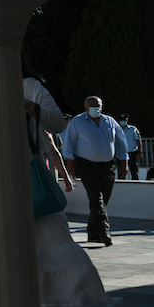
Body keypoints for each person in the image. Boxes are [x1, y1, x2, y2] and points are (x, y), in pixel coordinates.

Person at [23, 72, 111, 307]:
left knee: (44, 254)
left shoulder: (31, 87)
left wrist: (30, 107)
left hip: (30, 182)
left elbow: (57, 123)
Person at [60, 96, 128, 246]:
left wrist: (124, 162)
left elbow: (121, 142)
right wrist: (70, 164)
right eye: (91, 105)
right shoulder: (77, 122)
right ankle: (104, 232)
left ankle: (93, 232)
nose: (95, 108)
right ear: (85, 107)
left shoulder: (109, 121)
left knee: (103, 200)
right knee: (96, 199)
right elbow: (68, 144)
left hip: (108, 165)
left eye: (97, 105)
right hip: (87, 165)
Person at [118, 113, 142, 179]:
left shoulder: (133, 129)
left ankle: (136, 185)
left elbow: (138, 141)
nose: (123, 121)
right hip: (121, 154)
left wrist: (140, 152)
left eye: (124, 120)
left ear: (127, 120)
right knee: (121, 172)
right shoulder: (116, 129)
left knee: (134, 171)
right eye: (121, 120)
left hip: (132, 153)